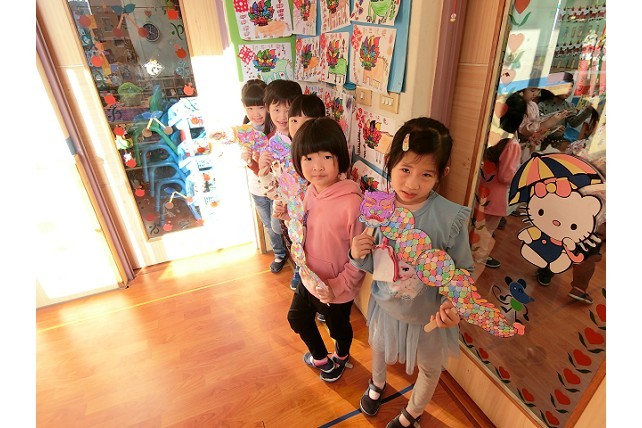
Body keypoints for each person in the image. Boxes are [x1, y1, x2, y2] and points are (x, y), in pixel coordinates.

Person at [350, 118, 473, 427]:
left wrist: (453, 303)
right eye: (405, 169)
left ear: (441, 174)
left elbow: (463, 270)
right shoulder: (380, 208)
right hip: (385, 306)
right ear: (390, 163)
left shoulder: (449, 217)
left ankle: (412, 414)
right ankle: (377, 384)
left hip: (429, 316)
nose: (412, 184)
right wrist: (357, 253)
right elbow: (374, 263)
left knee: (430, 368)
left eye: (426, 174)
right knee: (379, 347)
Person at [284, 117, 365, 383]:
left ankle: (341, 356)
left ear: (340, 158)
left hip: (336, 289)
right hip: (309, 277)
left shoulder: (352, 204)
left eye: (326, 157)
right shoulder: (310, 191)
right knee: (297, 318)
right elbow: (309, 228)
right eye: (308, 158)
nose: (317, 167)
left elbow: (360, 258)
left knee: (338, 329)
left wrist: (336, 286)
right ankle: (320, 357)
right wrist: (288, 216)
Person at [238, 79, 288, 274]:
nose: (256, 113)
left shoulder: (277, 130)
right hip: (256, 188)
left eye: (260, 107)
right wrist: (247, 158)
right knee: (268, 225)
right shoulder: (245, 131)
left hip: (276, 188)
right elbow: (252, 165)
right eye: (250, 108)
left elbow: (272, 168)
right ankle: (279, 254)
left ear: (267, 106)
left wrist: (257, 163)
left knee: (279, 225)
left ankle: (292, 254)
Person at [256, 79, 303, 276]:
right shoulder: (269, 142)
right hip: (284, 200)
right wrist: (263, 170)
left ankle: (301, 270)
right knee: (281, 229)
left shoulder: (304, 137)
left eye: (288, 110)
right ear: (268, 108)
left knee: (305, 235)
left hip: (306, 199)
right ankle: (299, 267)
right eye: (276, 110)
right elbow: (270, 186)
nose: (283, 117)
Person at [285, 94, 327, 293]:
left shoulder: (321, 154)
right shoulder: (285, 151)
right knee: (298, 243)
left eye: (307, 121)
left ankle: (313, 277)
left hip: (314, 213)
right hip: (294, 213)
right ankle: (300, 270)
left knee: (314, 246)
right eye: (294, 120)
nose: (299, 127)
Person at [509, 89, 568, 165]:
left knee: (526, 163)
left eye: (538, 90)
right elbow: (525, 130)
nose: (536, 94)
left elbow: (537, 122)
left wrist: (542, 133)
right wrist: (550, 122)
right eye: (533, 90)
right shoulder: (518, 105)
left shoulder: (533, 105)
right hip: (518, 145)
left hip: (529, 146)